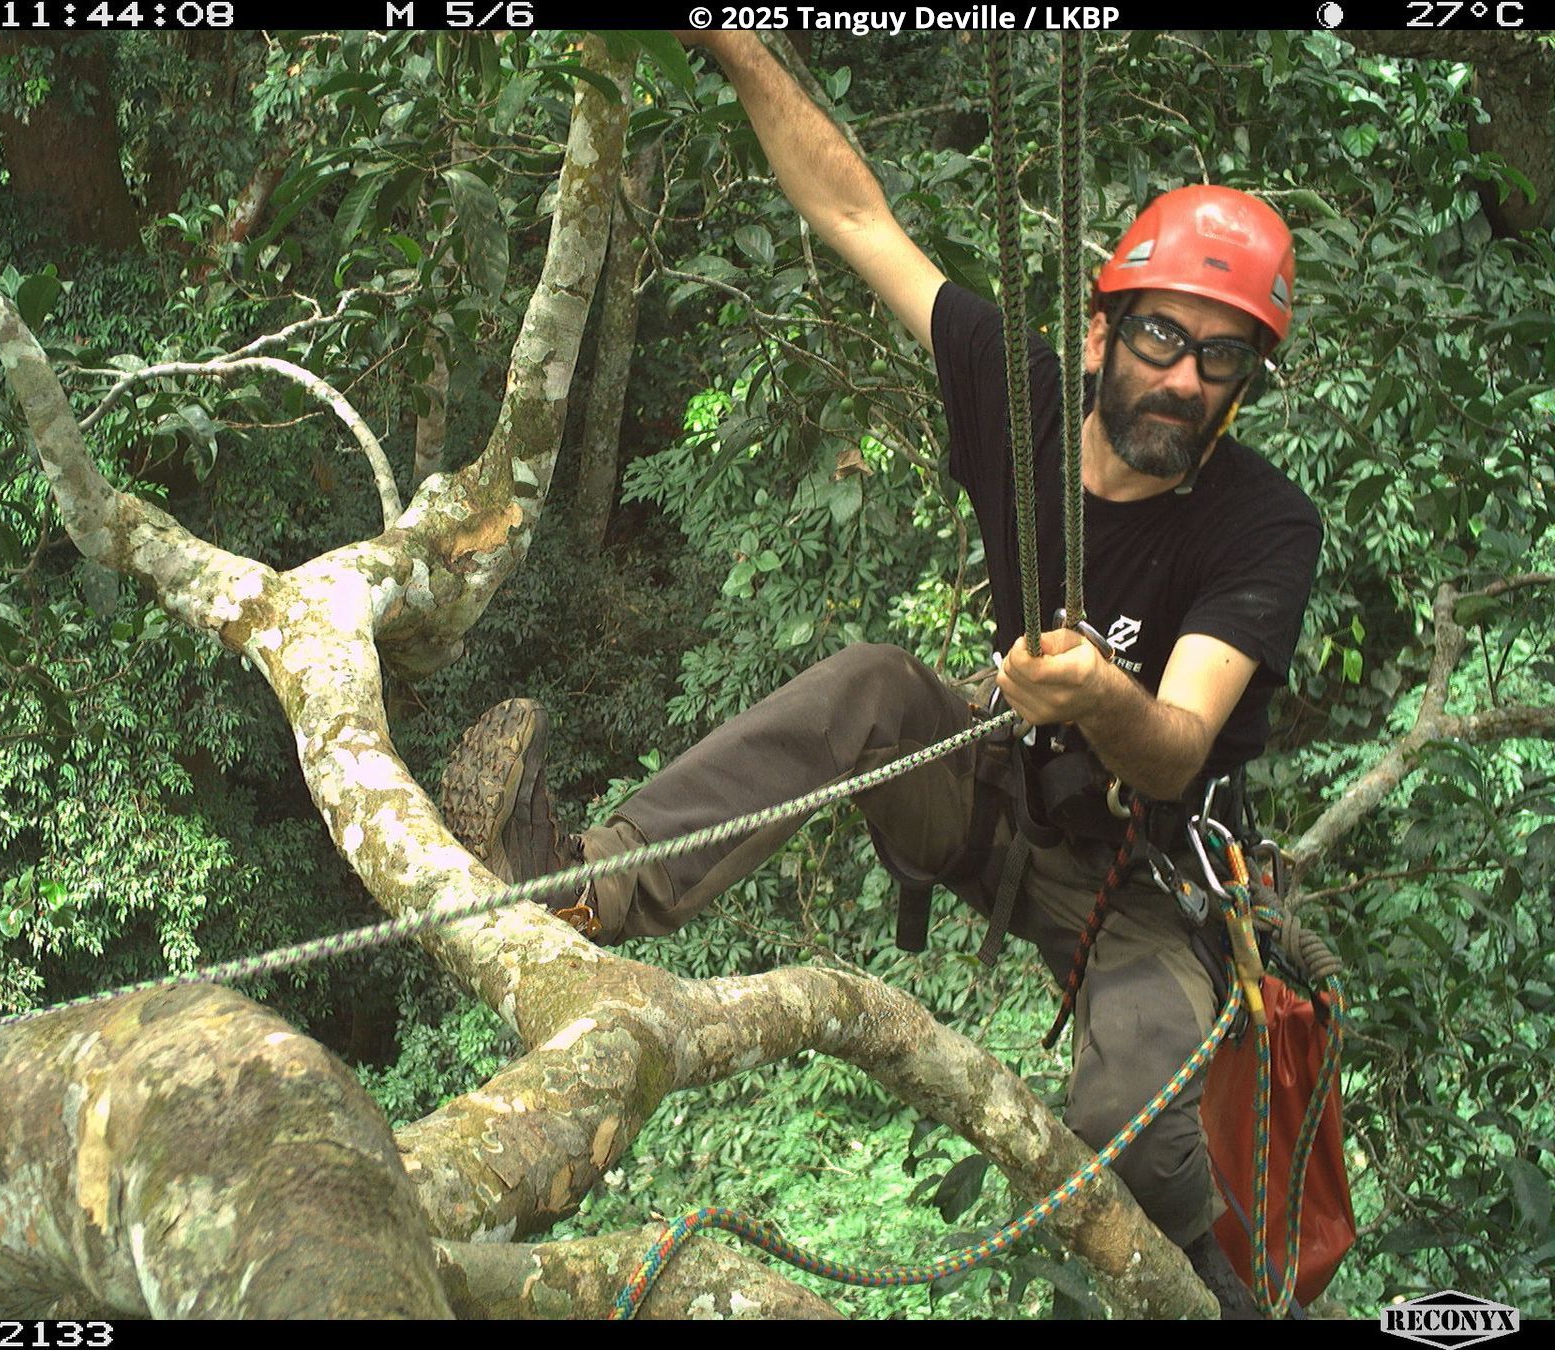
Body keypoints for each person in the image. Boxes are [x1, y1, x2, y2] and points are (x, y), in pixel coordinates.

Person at [439, 33, 1321, 1318]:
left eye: (1221, 359)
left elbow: (1180, 740)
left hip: (1143, 882)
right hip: (993, 802)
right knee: (869, 685)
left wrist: (1095, 695)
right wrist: (731, 38)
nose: (1183, 380)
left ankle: (1205, 1284)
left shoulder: (1261, 522)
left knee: (1126, 1122)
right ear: (1100, 333)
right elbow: (855, 213)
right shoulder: (1019, 395)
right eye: (1160, 338)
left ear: (1244, 388)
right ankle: (588, 888)